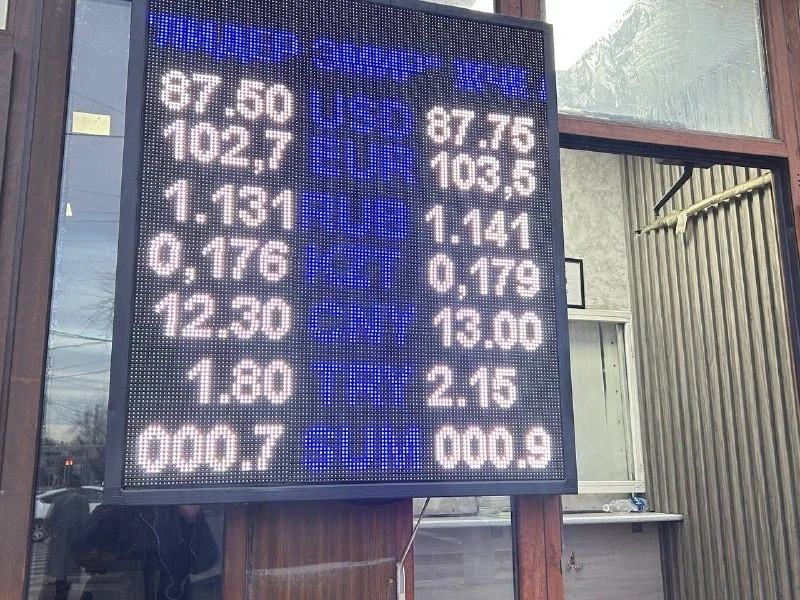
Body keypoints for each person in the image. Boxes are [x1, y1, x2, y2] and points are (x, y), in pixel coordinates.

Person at [77, 504, 220, 600]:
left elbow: (208, 561)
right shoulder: (114, 507)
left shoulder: (175, 512)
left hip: (171, 593)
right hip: (117, 591)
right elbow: (81, 551)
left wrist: (193, 520)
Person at [40, 475, 90, 600]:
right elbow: (85, 522)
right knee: (71, 572)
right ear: (79, 487)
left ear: (67, 487)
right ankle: (63, 594)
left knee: (60, 573)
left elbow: (49, 520)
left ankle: (60, 595)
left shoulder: (58, 499)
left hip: (59, 542)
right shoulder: (82, 500)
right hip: (74, 542)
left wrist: (53, 533)